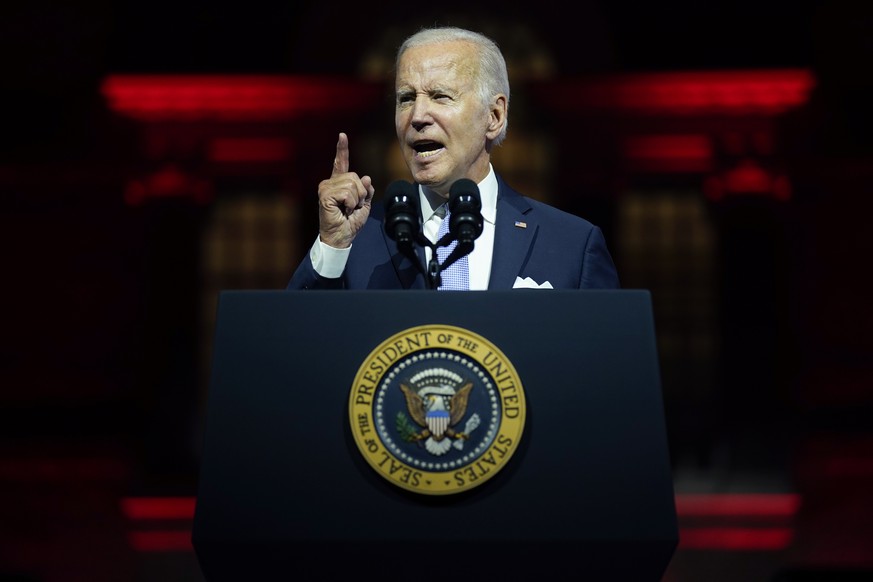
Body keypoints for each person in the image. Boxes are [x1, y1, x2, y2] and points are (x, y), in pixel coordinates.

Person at [287, 26, 620, 290]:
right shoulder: (356, 240)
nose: (417, 116)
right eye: (405, 98)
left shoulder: (572, 244)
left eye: (439, 96)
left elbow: (604, 367)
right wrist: (332, 246)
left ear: (495, 115)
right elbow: (298, 349)